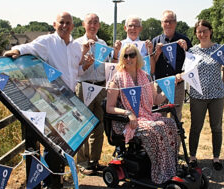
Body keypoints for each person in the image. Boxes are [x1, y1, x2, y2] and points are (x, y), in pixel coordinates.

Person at [4, 12, 90, 188]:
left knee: (63, 142)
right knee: (52, 142)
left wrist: (84, 66)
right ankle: (49, 181)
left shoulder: (75, 47)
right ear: (54, 24)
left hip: (70, 99)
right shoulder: (48, 42)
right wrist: (17, 50)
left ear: (73, 26)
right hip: (53, 99)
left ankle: (56, 176)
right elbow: (30, 47)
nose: (65, 26)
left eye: (68, 23)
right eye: (61, 22)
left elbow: (76, 72)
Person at [106, 44, 178, 184]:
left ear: (137, 57)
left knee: (170, 123)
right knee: (155, 129)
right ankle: (159, 172)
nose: (128, 58)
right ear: (122, 58)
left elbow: (156, 100)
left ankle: (170, 167)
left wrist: (170, 88)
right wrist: (128, 114)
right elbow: (109, 108)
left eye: (132, 55)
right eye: (125, 56)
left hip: (145, 116)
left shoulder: (145, 76)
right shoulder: (117, 79)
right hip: (125, 122)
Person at [188, 19, 224, 171]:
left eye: (205, 30)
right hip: (198, 96)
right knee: (196, 127)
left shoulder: (219, 49)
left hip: (217, 95)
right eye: (199, 31)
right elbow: (188, 73)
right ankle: (192, 157)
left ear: (210, 32)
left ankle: (216, 157)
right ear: (196, 34)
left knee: (216, 127)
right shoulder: (192, 51)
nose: (202, 34)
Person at [75, 13, 107, 175]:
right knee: (82, 125)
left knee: (98, 126)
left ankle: (94, 161)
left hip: (101, 87)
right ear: (83, 24)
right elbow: (73, 67)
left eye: (96, 22)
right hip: (84, 86)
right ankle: (82, 162)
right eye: (90, 22)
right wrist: (83, 52)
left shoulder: (103, 44)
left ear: (99, 25)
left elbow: (107, 66)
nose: (93, 25)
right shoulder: (76, 44)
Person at [151, 10, 192, 121]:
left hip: (177, 84)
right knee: (160, 116)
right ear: (161, 23)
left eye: (171, 21)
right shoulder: (155, 41)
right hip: (160, 84)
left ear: (176, 23)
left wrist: (186, 49)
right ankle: (162, 139)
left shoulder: (185, 40)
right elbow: (151, 68)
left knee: (176, 116)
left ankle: (176, 139)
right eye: (166, 21)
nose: (168, 24)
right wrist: (157, 53)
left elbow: (191, 63)